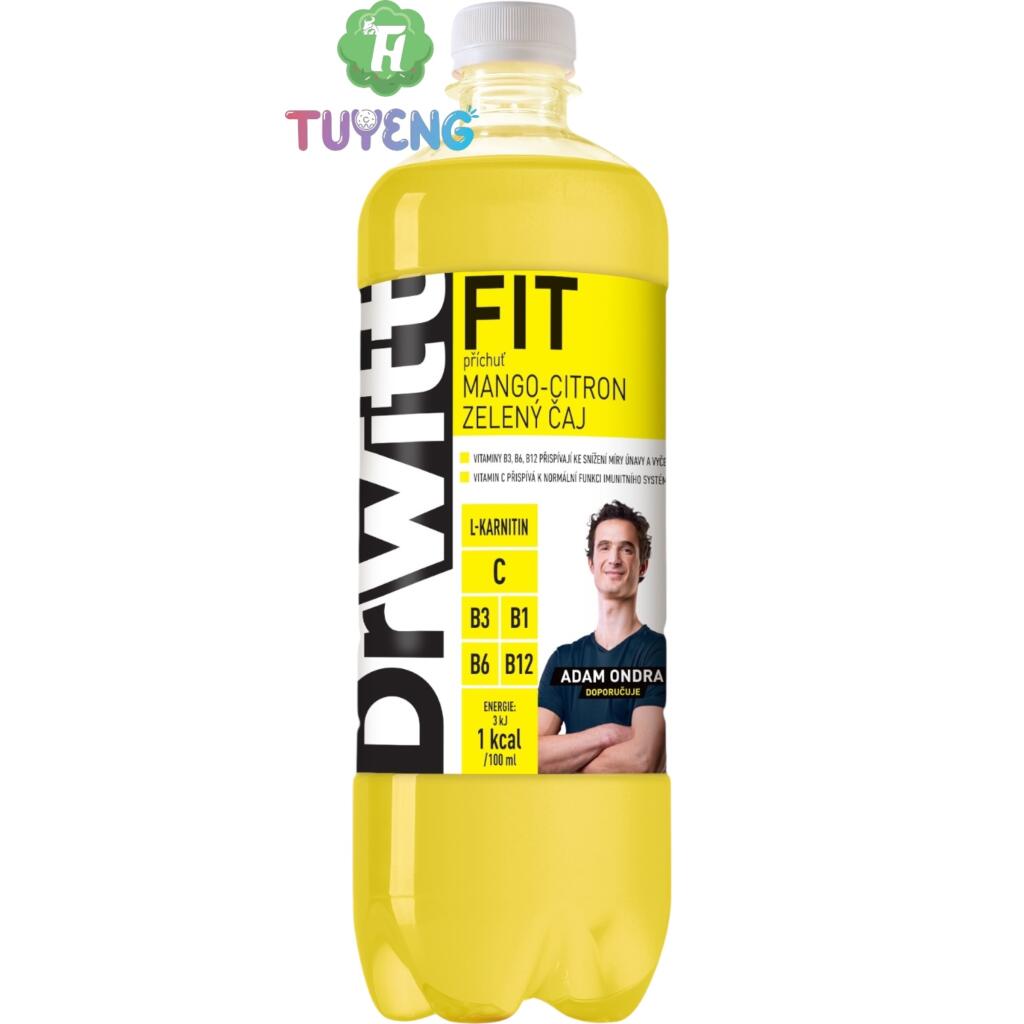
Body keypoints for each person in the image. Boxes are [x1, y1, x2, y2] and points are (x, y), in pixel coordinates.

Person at [538, 500, 666, 773]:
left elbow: (643, 758)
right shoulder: (564, 660)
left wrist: (565, 765)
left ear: (643, 567)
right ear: (591, 563)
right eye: (604, 547)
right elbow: (530, 755)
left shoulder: (657, 651)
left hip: (631, 803)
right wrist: (608, 734)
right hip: (572, 804)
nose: (614, 559)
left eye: (626, 549)